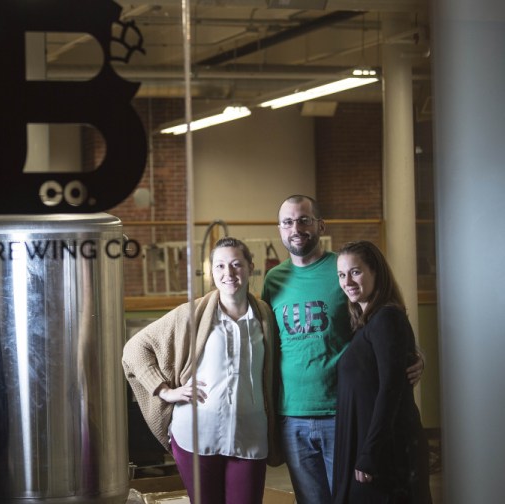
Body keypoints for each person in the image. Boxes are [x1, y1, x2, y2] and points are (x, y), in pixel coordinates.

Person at [261, 195, 424, 504]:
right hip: (292, 415)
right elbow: (270, 344)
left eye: (304, 220)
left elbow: (379, 323)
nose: (296, 228)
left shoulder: (342, 268)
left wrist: (415, 356)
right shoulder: (273, 280)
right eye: (288, 222)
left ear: (320, 225)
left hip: (341, 413)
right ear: (280, 229)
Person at [122, 237, 283, 504]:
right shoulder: (192, 314)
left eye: (236, 265)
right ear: (211, 273)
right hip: (196, 435)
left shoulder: (264, 316)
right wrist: (165, 391)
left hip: (251, 435)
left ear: (250, 267)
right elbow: (135, 348)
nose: (228, 273)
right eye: (219, 266)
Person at [332, 241, 431, 504]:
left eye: (356, 272)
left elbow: (390, 390)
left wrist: (370, 453)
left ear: (376, 272)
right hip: (370, 444)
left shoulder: (387, 318)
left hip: (385, 451)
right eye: (342, 275)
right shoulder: (369, 323)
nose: (348, 281)